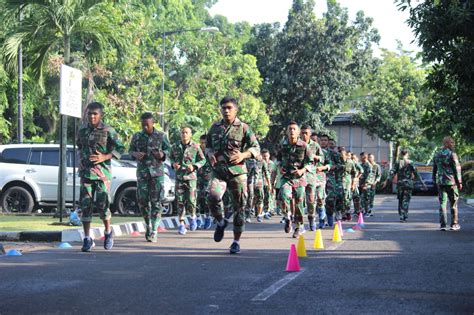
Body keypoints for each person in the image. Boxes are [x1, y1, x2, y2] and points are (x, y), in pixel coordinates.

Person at [205, 96, 260, 254]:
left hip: (237, 173)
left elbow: (256, 148)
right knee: (212, 197)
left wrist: (244, 155)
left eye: (229, 108)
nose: (226, 110)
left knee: (239, 207)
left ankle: (236, 241)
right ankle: (221, 222)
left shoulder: (244, 128)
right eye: (223, 108)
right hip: (219, 171)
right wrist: (209, 154)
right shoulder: (214, 127)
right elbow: (208, 146)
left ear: (236, 110)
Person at [77, 102, 125, 252]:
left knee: (103, 206)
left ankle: (107, 232)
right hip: (86, 173)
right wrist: (81, 161)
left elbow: (121, 149)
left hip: (102, 175)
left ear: (100, 115)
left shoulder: (108, 130)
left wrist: (105, 156)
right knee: (85, 206)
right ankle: (87, 238)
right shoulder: (82, 130)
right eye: (90, 113)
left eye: (95, 114)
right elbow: (79, 146)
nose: (92, 116)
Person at [129, 112, 170, 243]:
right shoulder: (136, 136)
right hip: (142, 174)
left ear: (153, 123)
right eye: (143, 125)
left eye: (147, 125)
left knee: (156, 202)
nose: (145, 127)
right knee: (142, 201)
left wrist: (162, 154)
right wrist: (135, 154)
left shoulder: (161, 136)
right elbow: (130, 151)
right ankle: (148, 223)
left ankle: (154, 229)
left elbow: (169, 151)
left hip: (157, 174)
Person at [279, 121, 312, 238]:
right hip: (287, 178)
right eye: (290, 129)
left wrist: (302, 170)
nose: (292, 131)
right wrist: (280, 167)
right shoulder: (282, 145)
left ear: (298, 132)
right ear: (287, 132)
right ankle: (287, 217)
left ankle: (298, 226)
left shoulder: (304, 145)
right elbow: (278, 159)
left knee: (298, 204)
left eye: (294, 129)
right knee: (283, 195)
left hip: (299, 178)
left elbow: (310, 162)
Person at [170, 126, 206, 235]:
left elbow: (203, 160)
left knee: (191, 200)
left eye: (186, 133)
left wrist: (195, 166)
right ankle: (181, 224)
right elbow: (171, 158)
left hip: (191, 178)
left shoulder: (195, 146)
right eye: (182, 133)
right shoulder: (175, 146)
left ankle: (193, 216)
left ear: (190, 134)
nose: (184, 135)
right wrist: (173, 164)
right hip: (179, 177)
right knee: (180, 201)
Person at [385, 149, 425, 222]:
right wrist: (419, 182)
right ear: (407, 154)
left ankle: (401, 215)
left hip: (400, 184)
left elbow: (392, 172)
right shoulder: (410, 162)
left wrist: (389, 180)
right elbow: (416, 173)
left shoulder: (398, 162)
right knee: (406, 200)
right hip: (408, 184)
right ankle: (404, 216)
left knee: (400, 199)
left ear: (401, 154)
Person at [433, 137, 463, 231]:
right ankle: (454, 224)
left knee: (442, 203)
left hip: (441, 182)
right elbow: (457, 169)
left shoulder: (437, 155)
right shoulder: (452, 154)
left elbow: (434, 169)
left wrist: (434, 179)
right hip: (451, 182)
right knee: (453, 203)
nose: (453, 144)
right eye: (452, 142)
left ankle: (443, 225)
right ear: (447, 143)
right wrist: (460, 182)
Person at [300, 125, 324, 231]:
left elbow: (322, 158)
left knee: (311, 201)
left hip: (311, 176)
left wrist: (315, 157)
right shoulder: (297, 144)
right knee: (299, 199)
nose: (304, 135)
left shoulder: (315, 145)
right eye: (302, 133)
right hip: (299, 176)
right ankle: (299, 223)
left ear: (310, 134)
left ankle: (311, 219)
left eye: (306, 133)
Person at [324, 136, 344, 226]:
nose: (323, 142)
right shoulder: (316, 152)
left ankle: (337, 213)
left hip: (334, 178)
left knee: (335, 198)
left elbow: (342, 165)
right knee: (324, 200)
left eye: (325, 140)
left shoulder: (334, 154)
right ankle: (327, 219)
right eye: (322, 140)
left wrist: (335, 167)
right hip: (320, 178)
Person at [197, 134, 213, 229]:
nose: (203, 145)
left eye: (205, 143)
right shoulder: (196, 152)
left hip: (209, 179)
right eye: (202, 143)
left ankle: (208, 217)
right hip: (197, 178)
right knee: (197, 198)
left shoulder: (211, 153)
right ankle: (198, 218)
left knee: (207, 198)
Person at [340, 147, 357, 221]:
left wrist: (353, 184)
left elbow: (354, 173)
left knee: (347, 198)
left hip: (347, 182)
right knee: (340, 198)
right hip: (339, 182)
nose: (342, 155)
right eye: (341, 153)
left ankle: (348, 212)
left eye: (343, 154)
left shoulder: (350, 162)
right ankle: (342, 214)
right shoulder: (338, 161)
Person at [359, 152, 375, 217]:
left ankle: (367, 211)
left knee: (367, 198)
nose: (360, 158)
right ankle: (363, 210)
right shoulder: (362, 164)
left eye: (361, 157)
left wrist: (366, 183)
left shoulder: (368, 165)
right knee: (362, 198)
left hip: (366, 184)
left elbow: (370, 175)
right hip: (361, 183)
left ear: (364, 157)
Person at [262, 149, 276, 218]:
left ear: (269, 155)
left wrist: (273, 183)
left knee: (271, 197)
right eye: (264, 156)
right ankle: (264, 211)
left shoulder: (272, 164)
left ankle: (270, 210)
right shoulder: (260, 163)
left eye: (266, 156)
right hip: (262, 182)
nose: (265, 157)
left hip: (270, 182)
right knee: (263, 198)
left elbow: (274, 174)